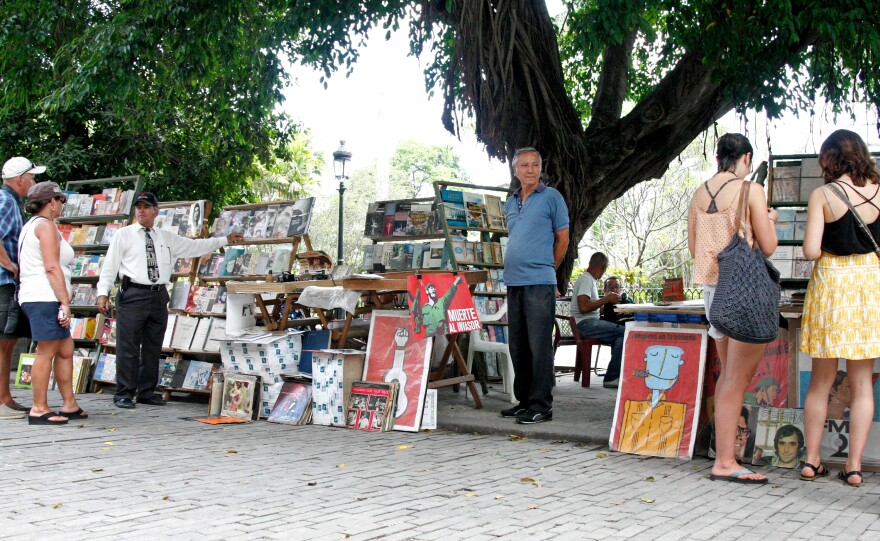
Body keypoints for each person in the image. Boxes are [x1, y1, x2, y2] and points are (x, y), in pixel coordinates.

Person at [688, 133, 778, 484]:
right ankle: (725, 461)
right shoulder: (750, 190)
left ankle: (725, 457)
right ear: (746, 158)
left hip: (714, 293)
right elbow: (767, 246)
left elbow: (697, 249)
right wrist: (769, 220)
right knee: (736, 380)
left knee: (728, 377)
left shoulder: (698, 194)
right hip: (743, 292)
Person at [97, 192, 243, 409]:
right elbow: (110, 265)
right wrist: (102, 292)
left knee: (153, 345)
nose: (141, 211)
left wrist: (224, 240)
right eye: (138, 207)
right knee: (128, 345)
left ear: (155, 211)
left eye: (146, 207)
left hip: (158, 294)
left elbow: (194, 247)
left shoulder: (164, 237)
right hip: (133, 293)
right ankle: (124, 393)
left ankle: (146, 391)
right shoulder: (124, 235)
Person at [799, 129, 880, 487]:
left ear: (831, 157)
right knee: (862, 384)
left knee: (821, 382)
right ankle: (855, 466)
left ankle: (812, 460)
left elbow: (811, 251)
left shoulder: (823, 194)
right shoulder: (879, 189)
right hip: (868, 287)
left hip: (832, 286)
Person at [500, 147, 569, 424]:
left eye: (535, 165)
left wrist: (547, 270)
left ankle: (542, 404)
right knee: (518, 344)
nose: (530, 170)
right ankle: (525, 400)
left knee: (539, 345)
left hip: (540, 282)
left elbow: (562, 240)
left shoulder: (552, 197)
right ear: (515, 170)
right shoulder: (510, 202)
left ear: (540, 169)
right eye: (524, 165)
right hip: (514, 281)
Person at [18, 182, 88, 425]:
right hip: (44, 296)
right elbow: (51, 266)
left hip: (41, 295)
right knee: (46, 351)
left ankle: (69, 403)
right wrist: (65, 302)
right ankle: (39, 407)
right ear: (51, 201)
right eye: (61, 200)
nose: (62, 205)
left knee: (65, 349)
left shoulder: (33, 226)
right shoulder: (45, 226)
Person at [0, 157, 42, 420]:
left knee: (7, 342)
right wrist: (10, 265)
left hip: (6, 282)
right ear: (19, 179)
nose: (33, 182)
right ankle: (2, 400)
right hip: (3, 281)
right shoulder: (5, 201)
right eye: (31, 177)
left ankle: (5, 397)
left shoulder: (11, 201)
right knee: (3, 342)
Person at [570, 253, 625, 388]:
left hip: (587, 322)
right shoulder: (586, 280)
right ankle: (612, 377)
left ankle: (613, 377)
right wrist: (606, 299)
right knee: (626, 332)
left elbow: (589, 306)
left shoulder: (589, 280)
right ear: (603, 268)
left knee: (621, 338)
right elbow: (583, 307)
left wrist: (604, 306)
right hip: (584, 324)